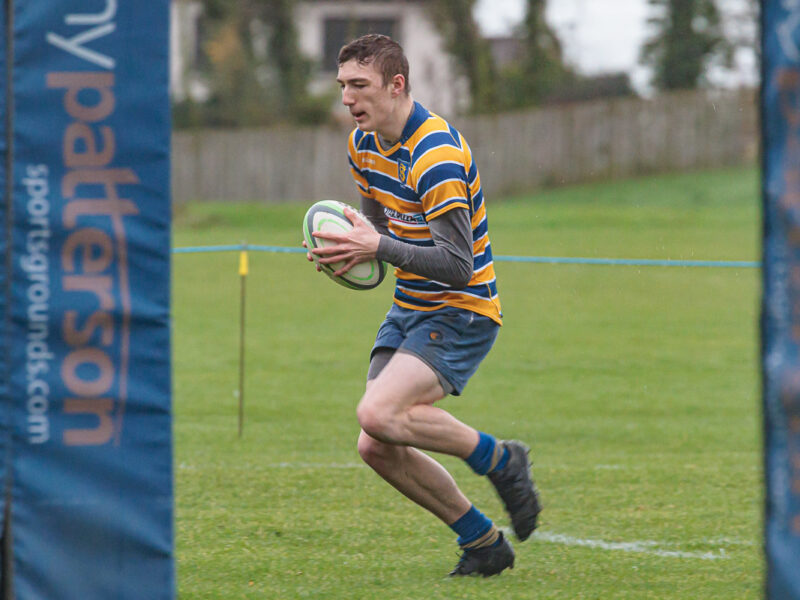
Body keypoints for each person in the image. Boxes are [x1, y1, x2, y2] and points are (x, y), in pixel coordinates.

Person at [306, 33, 541, 577]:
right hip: (410, 305)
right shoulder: (363, 145)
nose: (347, 98)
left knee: (378, 413)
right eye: (342, 85)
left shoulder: (435, 156)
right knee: (376, 444)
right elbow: (379, 235)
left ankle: (501, 459)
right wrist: (347, 251)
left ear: (396, 85)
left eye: (359, 85)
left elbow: (458, 264)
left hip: (463, 308)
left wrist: (375, 246)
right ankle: (483, 542)